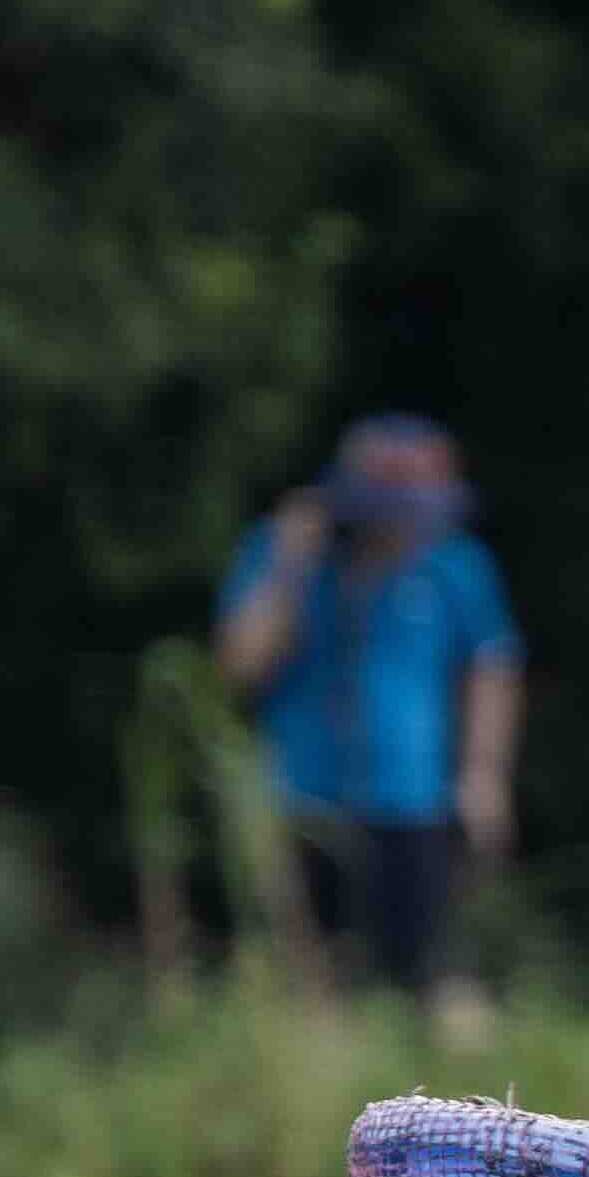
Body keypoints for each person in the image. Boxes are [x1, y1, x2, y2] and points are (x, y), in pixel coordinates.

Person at [210, 412, 520, 996]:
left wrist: (484, 777)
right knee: (305, 982)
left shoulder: (455, 563)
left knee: (436, 978)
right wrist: (289, 566)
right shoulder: (286, 554)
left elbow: (491, 669)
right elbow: (239, 667)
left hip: (413, 804)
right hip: (301, 800)